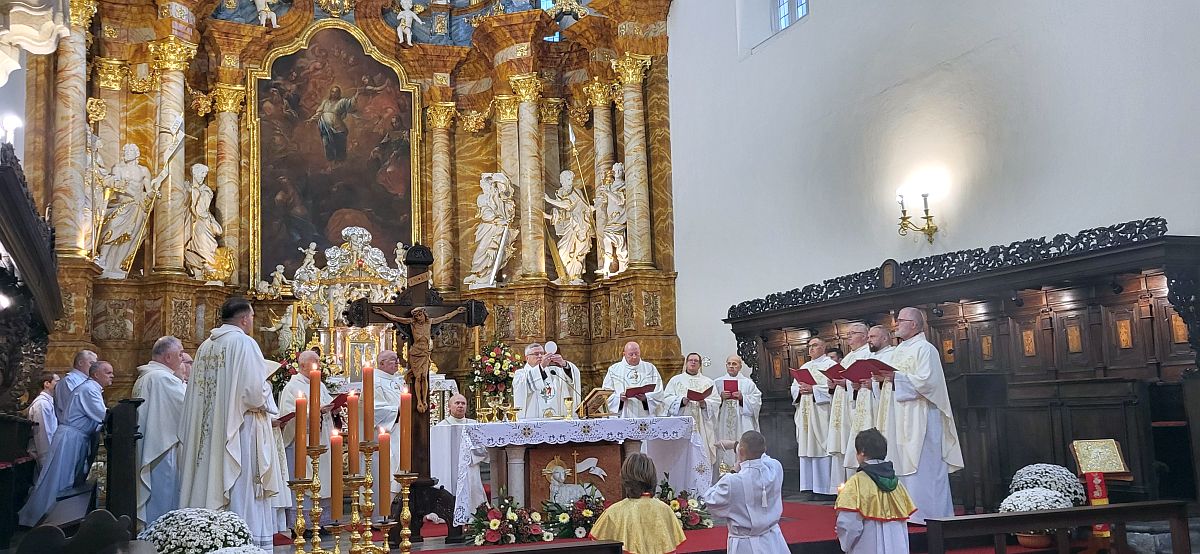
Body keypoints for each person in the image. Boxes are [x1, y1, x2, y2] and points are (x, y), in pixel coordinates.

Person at [178, 297, 287, 546]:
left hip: (210, 427)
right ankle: (242, 542)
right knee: (241, 486)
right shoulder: (244, 343)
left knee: (212, 476)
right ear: (245, 319)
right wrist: (268, 391)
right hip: (240, 428)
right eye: (252, 317)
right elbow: (253, 393)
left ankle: (213, 540)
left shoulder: (205, 346)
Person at [877, 307, 963, 524]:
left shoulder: (926, 349)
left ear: (914, 324)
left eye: (900, 320)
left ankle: (931, 515)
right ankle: (907, 512)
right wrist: (881, 379)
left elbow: (928, 383)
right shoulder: (898, 350)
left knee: (925, 465)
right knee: (900, 463)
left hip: (921, 417)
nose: (896, 324)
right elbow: (892, 383)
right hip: (899, 416)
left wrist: (896, 378)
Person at [19, 360, 112, 527]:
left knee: (64, 479)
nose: (112, 376)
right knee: (59, 480)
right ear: (96, 374)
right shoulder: (90, 389)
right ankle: (44, 519)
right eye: (108, 372)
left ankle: (56, 520)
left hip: (76, 438)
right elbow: (102, 415)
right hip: (71, 439)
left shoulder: (92, 388)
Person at [701, 431, 788, 554]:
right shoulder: (775, 467)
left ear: (741, 451)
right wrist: (735, 445)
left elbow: (709, 501)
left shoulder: (732, 481)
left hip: (745, 544)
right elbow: (761, 455)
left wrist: (733, 471)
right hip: (773, 541)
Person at [132, 336, 187, 526]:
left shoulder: (146, 377)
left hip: (151, 445)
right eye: (180, 354)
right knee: (163, 499)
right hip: (161, 450)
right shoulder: (163, 379)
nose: (182, 358)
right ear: (168, 357)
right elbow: (187, 409)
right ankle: (160, 536)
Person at [371, 305, 466, 413]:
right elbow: (395, 318)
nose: (418, 318)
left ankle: (424, 400)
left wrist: (457, 311)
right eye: (416, 316)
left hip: (425, 353)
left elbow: (446, 317)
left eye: (420, 315)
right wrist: (382, 312)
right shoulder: (412, 323)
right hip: (416, 353)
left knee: (424, 377)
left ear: (424, 314)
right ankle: (419, 401)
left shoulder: (430, 322)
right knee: (418, 378)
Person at [835, 429, 916, 553]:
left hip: (868, 546)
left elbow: (849, 524)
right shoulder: (897, 484)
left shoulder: (856, 483)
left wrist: (845, 542)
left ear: (862, 452)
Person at [591, 453, 686, 554]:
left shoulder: (613, 513)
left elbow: (599, 548)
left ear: (625, 477)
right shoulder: (665, 510)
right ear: (653, 477)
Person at [278, 350, 334, 519]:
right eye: (315, 361)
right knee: (305, 478)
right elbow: (289, 414)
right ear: (302, 365)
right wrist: (316, 411)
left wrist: (333, 409)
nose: (319, 364)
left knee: (324, 478)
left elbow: (327, 403)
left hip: (322, 438)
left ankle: (321, 521)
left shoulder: (320, 385)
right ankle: (303, 521)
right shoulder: (292, 387)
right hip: (303, 440)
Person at [790, 337, 836, 497]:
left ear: (824, 347)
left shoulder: (830, 366)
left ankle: (824, 488)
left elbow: (834, 390)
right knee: (806, 447)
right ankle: (808, 487)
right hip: (805, 413)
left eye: (815, 345)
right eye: (809, 346)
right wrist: (799, 390)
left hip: (821, 414)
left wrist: (814, 389)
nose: (811, 349)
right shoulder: (805, 367)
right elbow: (794, 387)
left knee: (821, 449)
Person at [661, 353, 719, 464]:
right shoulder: (676, 380)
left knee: (701, 457)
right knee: (682, 458)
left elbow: (716, 401)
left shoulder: (708, 382)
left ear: (700, 365)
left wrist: (704, 403)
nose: (693, 362)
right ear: (686, 363)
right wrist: (681, 401)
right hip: (682, 424)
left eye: (696, 361)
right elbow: (666, 399)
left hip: (702, 426)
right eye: (690, 360)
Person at [839, 324, 876, 476]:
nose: (849, 337)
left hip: (865, 404)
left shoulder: (869, 353)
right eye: (848, 334)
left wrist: (851, 383)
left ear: (864, 336)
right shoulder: (848, 358)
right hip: (850, 404)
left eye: (853, 333)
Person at [713, 355, 761, 469]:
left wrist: (742, 398)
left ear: (740, 366)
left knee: (742, 444)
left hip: (742, 422)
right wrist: (720, 398)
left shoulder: (748, 383)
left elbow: (756, 402)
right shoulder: (717, 383)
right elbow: (711, 403)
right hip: (722, 422)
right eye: (729, 364)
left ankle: (742, 471)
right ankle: (724, 474)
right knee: (723, 452)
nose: (731, 366)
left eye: (734, 364)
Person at [513, 342, 581, 419]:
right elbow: (523, 387)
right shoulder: (520, 374)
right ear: (527, 358)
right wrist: (541, 366)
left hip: (556, 420)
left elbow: (572, 377)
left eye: (542, 353)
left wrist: (564, 364)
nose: (540, 356)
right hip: (532, 420)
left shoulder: (554, 371)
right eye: (536, 354)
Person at [602, 341, 664, 418]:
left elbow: (659, 392)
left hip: (645, 416)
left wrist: (646, 398)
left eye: (636, 354)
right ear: (624, 354)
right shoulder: (614, 370)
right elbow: (605, 395)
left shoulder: (650, 368)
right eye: (631, 354)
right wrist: (619, 398)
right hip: (623, 415)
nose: (634, 357)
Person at [374, 350, 404, 496]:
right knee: (391, 468)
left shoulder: (397, 380)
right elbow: (374, 408)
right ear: (381, 363)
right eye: (393, 359)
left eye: (397, 359)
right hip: (388, 433)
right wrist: (397, 411)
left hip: (402, 430)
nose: (397, 362)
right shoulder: (374, 381)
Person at [26, 371, 59, 477]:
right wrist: (47, 459)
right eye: (57, 381)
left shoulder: (49, 402)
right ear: (47, 384)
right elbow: (43, 433)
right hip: (44, 454)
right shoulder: (42, 404)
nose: (59, 385)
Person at [54, 350, 97, 422]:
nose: (94, 368)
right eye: (91, 363)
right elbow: (72, 408)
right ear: (80, 363)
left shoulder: (87, 381)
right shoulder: (69, 381)